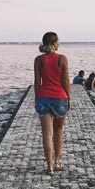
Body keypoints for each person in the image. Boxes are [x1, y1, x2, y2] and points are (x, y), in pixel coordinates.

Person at [33, 31, 71, 175]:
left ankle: (49, 167)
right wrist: (69, 98)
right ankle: (57, 162)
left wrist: (37, 98)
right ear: (54, 44)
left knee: (46, 133)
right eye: (58, 41)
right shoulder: (62, 59)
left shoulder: (39, 60)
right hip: (60, 98)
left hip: (43, 97)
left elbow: (37, 82)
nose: (59, 43)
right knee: (59, 131)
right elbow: (66, 81)